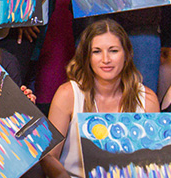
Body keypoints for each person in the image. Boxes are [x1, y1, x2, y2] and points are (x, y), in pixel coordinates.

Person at [43, 19, 160, 178]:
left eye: (113, 51)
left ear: (126, 54)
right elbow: (49, 156)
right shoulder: (68, 94)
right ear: (87, 57)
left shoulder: (147, 100)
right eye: (97, 51)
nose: (106, 59)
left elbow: (153, 164)